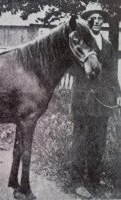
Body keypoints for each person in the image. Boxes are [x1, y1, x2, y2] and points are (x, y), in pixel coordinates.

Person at [69, 2, 121, 197]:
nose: (97, 21)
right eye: (93, 17)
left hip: (102, 101)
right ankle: (76, 182)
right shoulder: (79, 43)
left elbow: (112, 73)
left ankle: (93, 181)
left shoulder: (107, 45)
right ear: (87, 20)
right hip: (83, 99)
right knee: (81, 141)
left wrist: (117, 94)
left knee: (98, 142)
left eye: (100, 18)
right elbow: (72, 70)